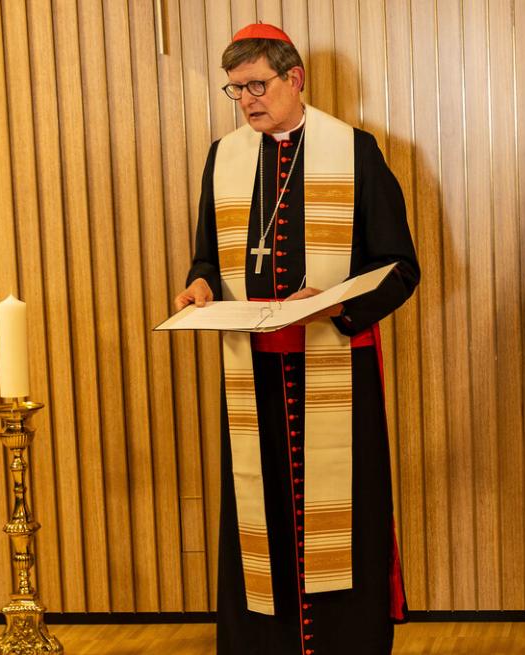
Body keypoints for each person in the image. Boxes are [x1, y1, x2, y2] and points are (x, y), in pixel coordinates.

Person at [172, 23, 419, 655]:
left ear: (294, 79)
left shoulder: (354, 150)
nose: (248, 100)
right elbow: (207, 258)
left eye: (258, 84)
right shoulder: (223, 157)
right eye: (236, 90)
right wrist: (200, 286)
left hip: (336, 370)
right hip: (251, 375)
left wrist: (335, 307)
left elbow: (401, 268)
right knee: (262, 517)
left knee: (344, 522)